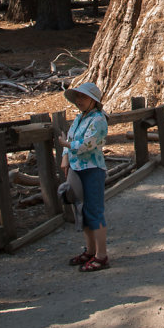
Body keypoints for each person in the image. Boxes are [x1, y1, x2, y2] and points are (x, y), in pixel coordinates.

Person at [59, 82, 110, 271]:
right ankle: (90, 250)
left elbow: (86, 144)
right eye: (78, 97)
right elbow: (71, 139)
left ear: (94, 101)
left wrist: (66, 146)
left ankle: (101, 255)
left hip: (92, 168)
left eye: (84, 97)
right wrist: (65, 156)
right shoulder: (79, 119)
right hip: (76, 167)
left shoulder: (98, 120)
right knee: (82, 210)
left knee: (95, 211)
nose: (79, 101)